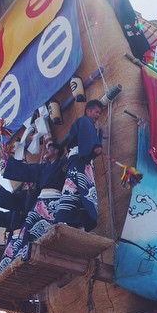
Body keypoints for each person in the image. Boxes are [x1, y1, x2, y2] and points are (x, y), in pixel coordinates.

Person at [0, 140, 67, 268]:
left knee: (48, 232)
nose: (46, 151)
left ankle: (41, 255)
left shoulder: (64, 163)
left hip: (55, 201)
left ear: (57, 151)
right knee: (28, 226)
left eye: (49, 148)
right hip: (41, 202)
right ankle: (19, 259)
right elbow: (27, 169)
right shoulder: (43, 168)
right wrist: (8, 160)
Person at [55, 99, 104, 231]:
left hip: (85, 163)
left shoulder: (95, 127)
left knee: (82, 193)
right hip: (78, 161)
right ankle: (66, 222)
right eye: (96, 111)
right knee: (74, 189)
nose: (98, 115)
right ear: (88, 111)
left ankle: (80, 225)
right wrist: (95, 146)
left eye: (100, 113)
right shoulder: (84, 121)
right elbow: (88, 138)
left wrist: (97, 140)